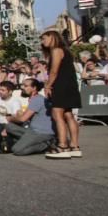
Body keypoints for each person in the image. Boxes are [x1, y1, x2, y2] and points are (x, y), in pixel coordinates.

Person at [41, 30, 81, 158]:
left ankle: (62, 145)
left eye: (44, 39)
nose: (43, 42)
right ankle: (75, 146)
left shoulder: (56, 50)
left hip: (61, 84)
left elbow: (54, 71)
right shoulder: (66, 50)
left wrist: (48, 85)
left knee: (57, 114)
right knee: (68, 114)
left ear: (52, 37)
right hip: (70, 84)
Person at [3, 78, 55, 156]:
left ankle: (45, 145)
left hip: (40, 132)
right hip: (32, 130)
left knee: (17, 150)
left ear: (34, 88)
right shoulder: (33, 99)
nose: (22, 88)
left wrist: (10, 118)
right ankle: (27, 141)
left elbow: (22, 119)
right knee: (9, 127)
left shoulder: (37, 99)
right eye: (22, 85)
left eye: (26, 86)